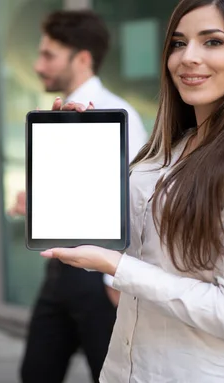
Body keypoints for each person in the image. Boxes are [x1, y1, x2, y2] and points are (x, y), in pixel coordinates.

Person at [38, 0, 224, 382]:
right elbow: (129, 233)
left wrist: (117, 268)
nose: (188, 57)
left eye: (212, 42)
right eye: (178, 44)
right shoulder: (173, 145)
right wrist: (80, 156)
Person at [11, 10, 148, 383]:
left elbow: (136, 206)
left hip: (99, 278)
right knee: (36, 372)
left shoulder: (119, 115)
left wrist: (114, 283)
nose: (39, 65)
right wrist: (39, 204)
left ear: (82, 58)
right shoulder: (61, 114)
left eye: (49, 55)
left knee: (107, 376)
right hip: (60, 269)